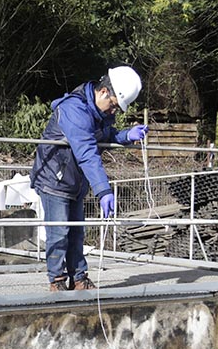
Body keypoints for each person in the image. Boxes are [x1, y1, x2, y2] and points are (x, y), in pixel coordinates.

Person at [30, 65, 148, 292]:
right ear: (104, 92)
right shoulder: (74, 109)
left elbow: (105, 135)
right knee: (59, 231)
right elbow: (86, 151)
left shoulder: (96, 112)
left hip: (75, 181)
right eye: (114, 105)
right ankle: (56, 281)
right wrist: (103, 190)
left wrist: (126, 135)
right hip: (54, 178)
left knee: (76, 233)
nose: (113, 111)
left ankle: (79, 279)